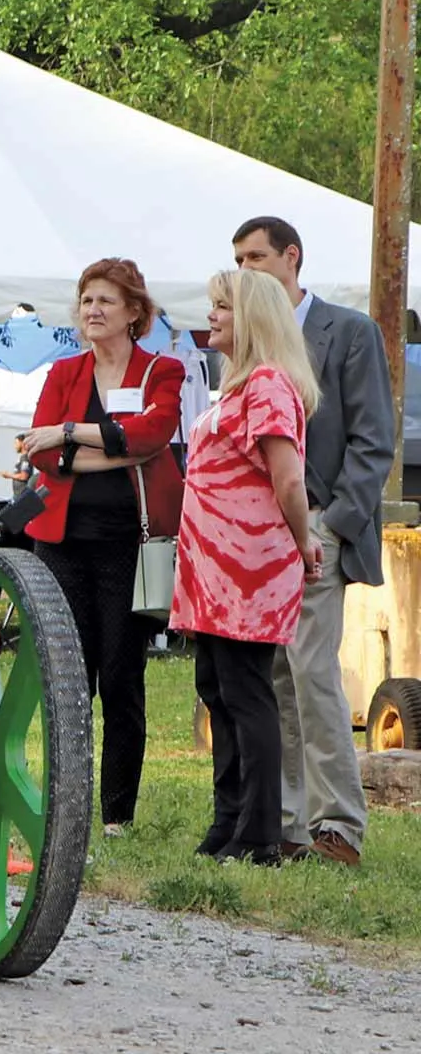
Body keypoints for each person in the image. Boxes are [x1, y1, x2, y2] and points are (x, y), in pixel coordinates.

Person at [233, 215, 396, 866]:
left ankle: (340, 826)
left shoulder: (348, 331)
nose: (246, 271)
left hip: (320, 528)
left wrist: (331, 526)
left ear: (291, 258)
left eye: (256, 258)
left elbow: (373, 442)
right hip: (258, 536)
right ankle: (289, 825)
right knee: (273, 679)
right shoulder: (249, 342)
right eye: (237, 260)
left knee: (312, 672)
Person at [17, 258, 183, 836]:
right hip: (62, 542)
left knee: (120, 678)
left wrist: (69, 434)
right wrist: (115, 451)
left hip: (130, 544)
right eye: (86, 300)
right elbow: (37, 454)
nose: (92, 310)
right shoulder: (63, 373)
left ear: (134, 311)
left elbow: (153, 435)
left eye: (106, 301)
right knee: (68, 680)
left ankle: (117, 815)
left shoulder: (163, 370)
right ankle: (66, 810)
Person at [171, 268, 322, 866]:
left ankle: (259, 834)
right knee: (217, 688)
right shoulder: (237, 388)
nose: (212, 316)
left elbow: (288, 478)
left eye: (222, 308)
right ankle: (227, 820)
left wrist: (305, 541)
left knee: (246, 692)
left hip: (247, 571)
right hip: (213, 571)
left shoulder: (268, 386)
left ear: (253, 318)